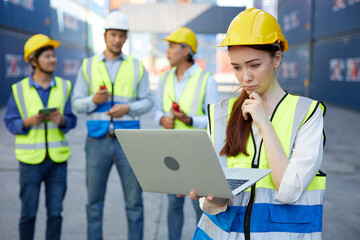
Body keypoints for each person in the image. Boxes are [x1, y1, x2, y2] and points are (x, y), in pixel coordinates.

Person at [189, 8, 327, 240]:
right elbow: (214, 197)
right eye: (237, 67)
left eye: (254, 65)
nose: (245, 78)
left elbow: (290, 190)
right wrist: (212, 196)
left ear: (276, 58)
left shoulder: (307, 113)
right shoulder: (222, 113)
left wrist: (265, 124)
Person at [72, 10, 153, 240]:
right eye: (113, 34)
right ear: (105, 35)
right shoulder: (88, 66)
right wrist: (93, 101)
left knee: (134, 203)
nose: (117, 39)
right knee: (94, 203)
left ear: (126, 38)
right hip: (97, 142)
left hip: (129, 144)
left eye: (121, 35)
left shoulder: (137, 67)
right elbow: (77, 104)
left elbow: (148, 101)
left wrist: (129, 108)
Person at [3, 34, 77, 240]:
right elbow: (10, 122)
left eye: (53, 56)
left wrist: (61, 120)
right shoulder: (18, 90)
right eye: (47, 56)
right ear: (33, 61)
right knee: (28, 214)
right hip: (30, 163)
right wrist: (28, 122)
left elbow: (72, 120)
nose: (53, 60)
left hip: (57, 162)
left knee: (55, 214)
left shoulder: (64, 86)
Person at [154, 27, 219, 240]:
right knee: (173, 205)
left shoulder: (206, 80)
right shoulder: (164, 79)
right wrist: (162, 119)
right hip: (171, 153)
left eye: (172, 46)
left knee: (199, 207)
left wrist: (188, 120)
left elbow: (215, 120)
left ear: (186, 50)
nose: (167, 51)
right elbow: (157, 111)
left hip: (196, 155)